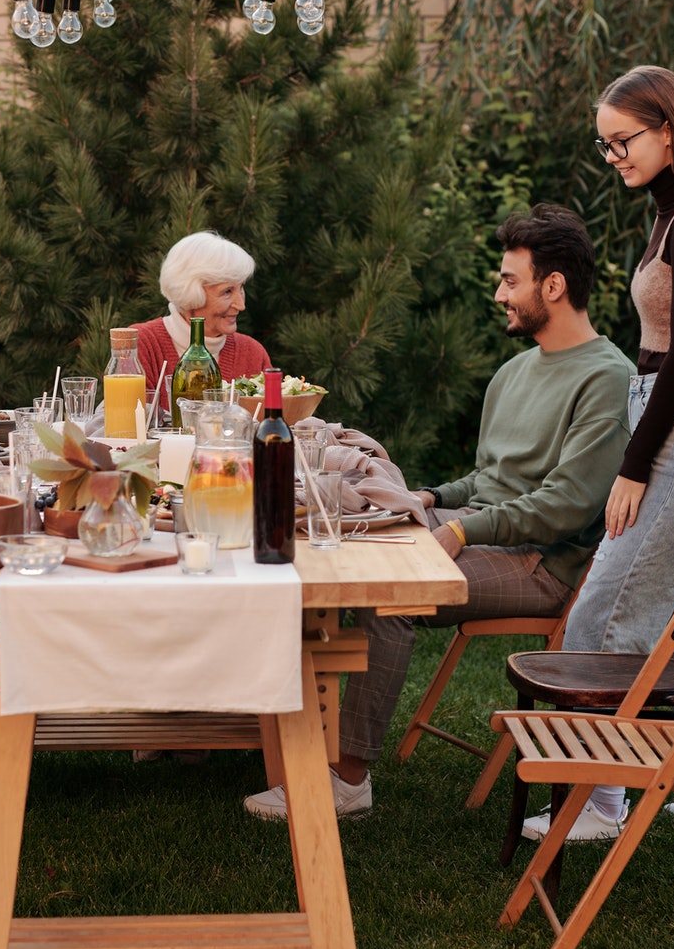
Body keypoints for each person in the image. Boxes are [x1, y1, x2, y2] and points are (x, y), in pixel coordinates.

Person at [244, 205, 634, 819]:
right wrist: (428, 499)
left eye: (511, 280)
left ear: (552, 286)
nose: (499, 292)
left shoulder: (608, 378)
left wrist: (457, 530)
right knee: (326, 547)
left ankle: (347, 780)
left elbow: (566, 505)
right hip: (484, 534)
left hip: (542, 564)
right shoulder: (513, 373)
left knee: (389, 596)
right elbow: (490, 480)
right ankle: (266, 731)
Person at [519, 65, 674, 844]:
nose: (614, 155)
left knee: (604, 607)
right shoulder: (671, 214)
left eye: (622, 140)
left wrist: (632, 466)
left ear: (668, 129)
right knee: (663, 607)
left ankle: (600, 799)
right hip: (670, 412)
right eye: (606, 145)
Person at [134, 231, 273, 413]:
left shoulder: (252, 353)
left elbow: (276, 427)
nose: (241, 305)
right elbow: (122, 427)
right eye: (227, 292)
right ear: (190, 293)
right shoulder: (142, 343)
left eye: (241, 289)